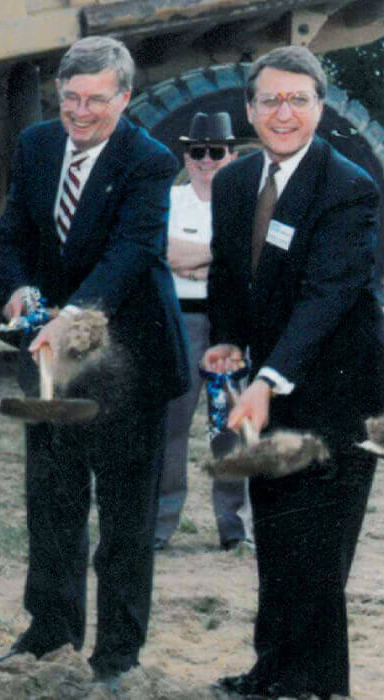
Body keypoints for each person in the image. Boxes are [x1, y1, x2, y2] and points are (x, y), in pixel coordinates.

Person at [0, 37, 186, 687]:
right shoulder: (37, 145)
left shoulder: (149, 162)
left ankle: (117, 653)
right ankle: (49, 633)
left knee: (125, 520)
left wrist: (75, 314)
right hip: (50, 367)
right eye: (70, 98)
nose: (80, 112)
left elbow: (131, 253)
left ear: (124, 97)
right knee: (52, 507)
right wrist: (16, 286)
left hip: (131, 362)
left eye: (96, 100)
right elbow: (12, 234)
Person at [204, 46, 384, 699]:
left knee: (316, 544)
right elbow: (230, 275)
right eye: (270, 100)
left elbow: (326, 296)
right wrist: (227, 339)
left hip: (343, 390)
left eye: (298, 100)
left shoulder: (349, 187)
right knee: (278, 535)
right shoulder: (231, 182)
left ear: (320, 107)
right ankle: (274, 672)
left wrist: (263, 380)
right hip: (273, 388)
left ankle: (319, 686)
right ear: (250, 109)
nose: (284, 113)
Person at [153, 111, 251, 552]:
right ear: (185, 155)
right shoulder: (168, 200)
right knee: (171, 426)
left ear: (231, 156)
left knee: (230, 426)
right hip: (181, 321)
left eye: (216, 152)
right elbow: (164, 252)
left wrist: (198, 259)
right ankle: (159, 525)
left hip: (228, 325)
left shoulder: (248, 202)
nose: (205, 160)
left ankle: (235, 528)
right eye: (197, 152)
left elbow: (247, 259)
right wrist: (220, 255)